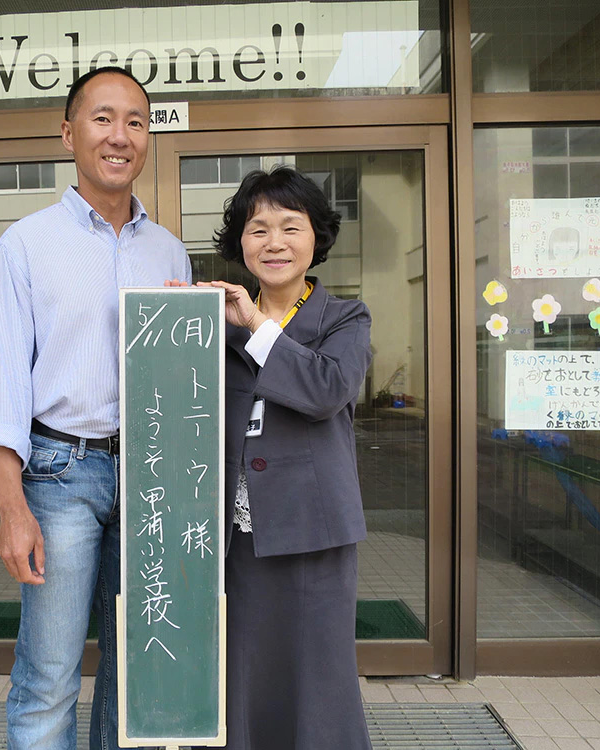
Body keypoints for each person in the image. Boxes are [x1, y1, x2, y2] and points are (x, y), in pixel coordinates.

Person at [0, 67, 192, 750]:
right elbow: (0, 383)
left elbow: (184, 384)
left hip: (153, 478)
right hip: (59, 475)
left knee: (144, 677)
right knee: (49, 678)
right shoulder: (25, 245)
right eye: (102, 118)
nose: (119, 135)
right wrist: (12, 507)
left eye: (135, 120)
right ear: (69, 133)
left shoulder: (170, 252)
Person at [198, 166, 373, 749]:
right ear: (240, 242)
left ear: (315, 237)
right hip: (237, 534)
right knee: (243, 674)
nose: (274, 242)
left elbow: (326, 391)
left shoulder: (345, 319)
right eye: (258, 228)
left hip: (314, 531)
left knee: (319, 681)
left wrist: (255, 325)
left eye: (290, 227)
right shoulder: (213, 325)